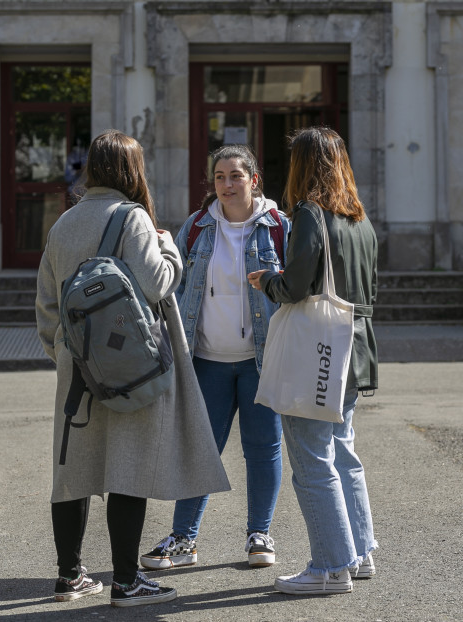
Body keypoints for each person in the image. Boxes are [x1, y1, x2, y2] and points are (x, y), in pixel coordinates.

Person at [35, 130, 230, 607]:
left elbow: (46, 304)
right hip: (130, 365)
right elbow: (157, 283)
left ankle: (69, 577)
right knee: (128, 467)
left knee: (72, 469)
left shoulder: (63, 223)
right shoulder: (133, 218)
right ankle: (125, 582)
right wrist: (169, 248)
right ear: (131, 170)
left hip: (77, 366)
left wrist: (65, 353)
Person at [140, 144, 290, 571]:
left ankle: (259, 533)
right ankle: (185, 538)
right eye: (220, 176)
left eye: (236, 176)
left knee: (263, 449)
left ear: (253, 180)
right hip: (206, 359)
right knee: (200, 450)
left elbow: (297, 287)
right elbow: (174, 282)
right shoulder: (197, 227)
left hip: (263, 360)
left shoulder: (279, 227)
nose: (227, 184)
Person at [248, 126, 379, 595]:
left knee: (311, 457)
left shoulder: (309, 214)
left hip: (318, 351)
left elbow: (298, 286)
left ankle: (329, 566)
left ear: (303, 164)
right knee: (343, 450)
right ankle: (359, 555)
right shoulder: (360, 219)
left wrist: (267, 281)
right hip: (355, 347)